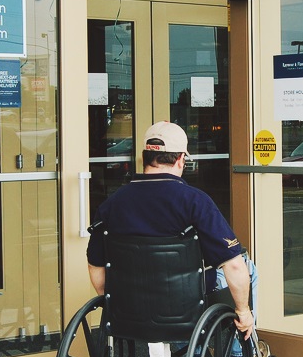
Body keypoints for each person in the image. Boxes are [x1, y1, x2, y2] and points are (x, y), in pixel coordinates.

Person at [86, 121, 254, 339]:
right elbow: (233, 265)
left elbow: (95, 265)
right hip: (186, 302)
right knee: (246, 266)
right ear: (181, 159)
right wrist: (243, 310)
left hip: (130, 305)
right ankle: (236, 353)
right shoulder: (195, 201)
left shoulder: (113, 203)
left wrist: (112, 297)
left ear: (145, 157)